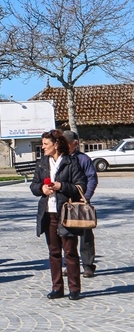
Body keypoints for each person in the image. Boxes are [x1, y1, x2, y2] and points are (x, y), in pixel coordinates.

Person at [30, 129, 87, 301]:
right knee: (53, 252)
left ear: (55, 145)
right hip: (49, 214)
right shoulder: (42, 163)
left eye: (46, 144)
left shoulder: (71, 162)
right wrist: (42, 189)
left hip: (67, 213)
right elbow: (33, 186)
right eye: (42, 144)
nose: (43, 147)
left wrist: (61, 186)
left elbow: (81, 186)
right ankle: (57, 288)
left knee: (70, 251)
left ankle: (74, 288)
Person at [62, 130, 98, 278]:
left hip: (81, 202)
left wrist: (86, 197)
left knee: (85, 235)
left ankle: (88, 265)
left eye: (66, 144)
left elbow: (92, 178)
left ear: (75, 144)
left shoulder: (83, 159)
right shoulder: (60, 158)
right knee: (66, 235)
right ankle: (70, 264)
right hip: (64, 202)